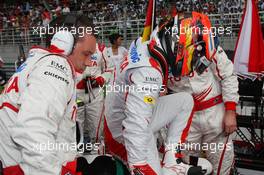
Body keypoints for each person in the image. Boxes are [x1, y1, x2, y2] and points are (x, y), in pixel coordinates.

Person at [0, 15, 97, 175]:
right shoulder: (56, 66)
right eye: (86, 54)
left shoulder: (39, 62)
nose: (88, 62)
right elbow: (34, 131)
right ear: (64, 43)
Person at [104, 33, 212, 174]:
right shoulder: (149, 73)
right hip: (122, 130)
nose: (191, 67)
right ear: (178, 48)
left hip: (130, 111)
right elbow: (135, 126)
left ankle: (171, 158)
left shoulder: (148, 44)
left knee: (185, 101)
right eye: (192, 57)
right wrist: (139, 166)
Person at [162, 12, 239, 175]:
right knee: (188, 168)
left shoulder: (207, 44)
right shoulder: (161, 53)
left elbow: (228, 75)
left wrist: (231, 111)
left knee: (222, 167)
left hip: (215, 116)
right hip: (185, 122)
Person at [76, 42, 108, 146]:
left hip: (95, 93)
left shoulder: (101, 49)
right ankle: (76, 153)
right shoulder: (72, 47)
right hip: (76, 93)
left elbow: (110, 69)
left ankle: (97, 151)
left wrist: (101, 79)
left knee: (96, 127)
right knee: (76, 126)